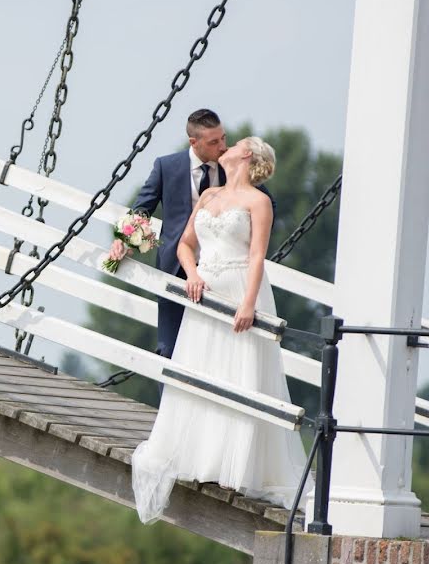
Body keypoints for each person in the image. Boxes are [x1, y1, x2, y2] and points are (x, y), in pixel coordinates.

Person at [130, 136, 310, 524]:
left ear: (247, 155)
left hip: (241, 288)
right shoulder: (209, 195)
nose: (228, 145)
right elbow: (185, 245)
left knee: (238, 372)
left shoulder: (258, 202)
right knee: (203, 368)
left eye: (237, 142)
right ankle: (200, 456)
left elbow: (258, 253)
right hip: (206, 290)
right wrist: (192, 275)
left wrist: (249, 303)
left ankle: (237, 466)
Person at [123, 109, 275, 363]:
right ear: (194, 142)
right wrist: (124, 241)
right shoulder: (167, 166)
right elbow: (143, 207)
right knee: (169, 350)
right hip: (176, 268)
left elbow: (260, 213)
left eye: (224, 139)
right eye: (214, 142)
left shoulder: (234, 168)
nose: (222, 147)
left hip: (229, 274)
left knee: (221, 355)